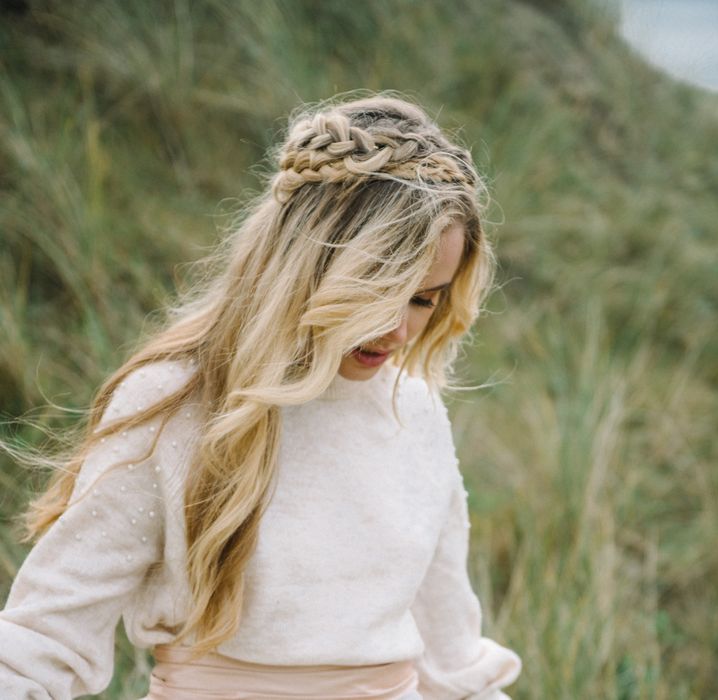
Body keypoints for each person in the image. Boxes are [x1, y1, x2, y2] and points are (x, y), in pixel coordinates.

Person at [0, 93, 522, 699]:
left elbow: (453, 658)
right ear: (306, 265)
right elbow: (39, 646)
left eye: (423, 298)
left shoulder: (416, 411)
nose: (399, 329)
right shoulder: (173, 405)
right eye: (378, 289)